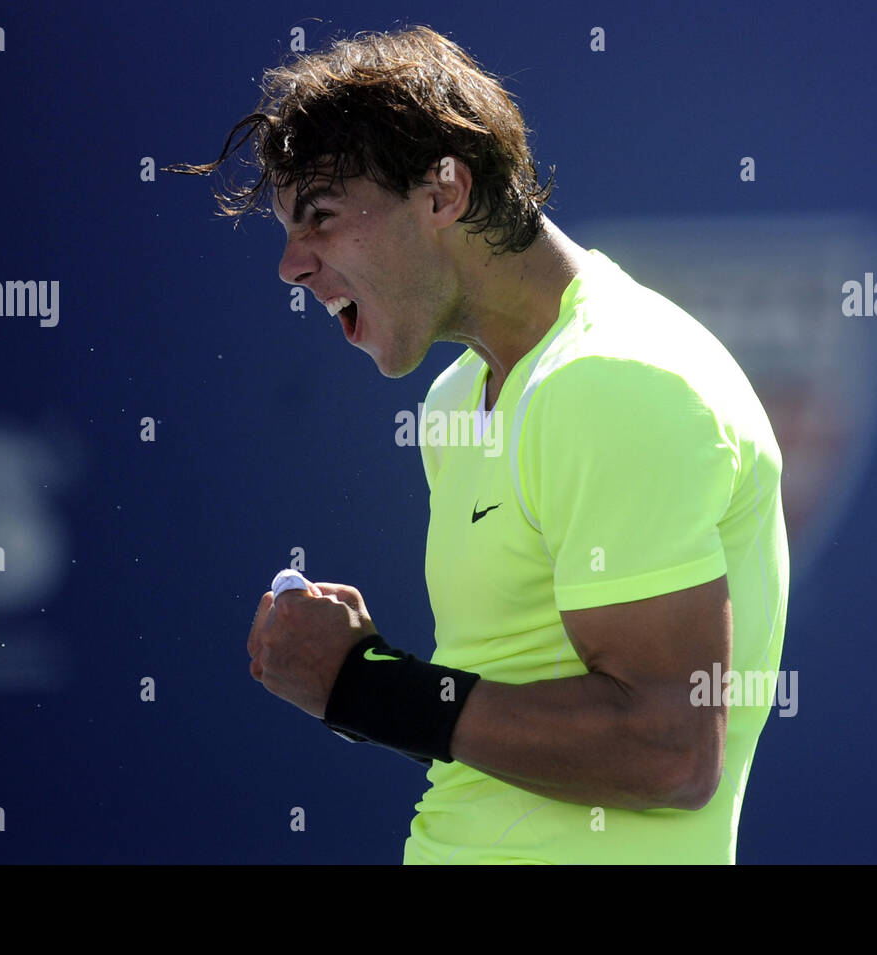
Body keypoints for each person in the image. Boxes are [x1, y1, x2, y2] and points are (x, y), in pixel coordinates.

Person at [166, 24, 789, 864]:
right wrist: (374, 677)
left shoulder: (616, 379)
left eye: (319, 217)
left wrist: (365, 684)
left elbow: (668, 749)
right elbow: (512, 724)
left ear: (443, 193)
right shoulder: (458, 400)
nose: (291, 266)